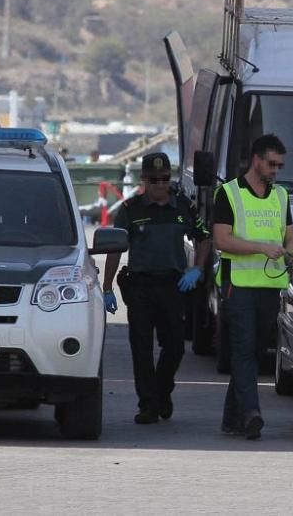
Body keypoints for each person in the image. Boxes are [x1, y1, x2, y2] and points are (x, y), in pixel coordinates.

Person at [102, 152, 211, 424]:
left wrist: (196, 269)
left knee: (174, 346)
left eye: (164, 179)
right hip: (140, 287)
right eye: (154, 180)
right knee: (141, 348)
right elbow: (114, 249)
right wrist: (106, 287)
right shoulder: (130, 210)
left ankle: (162, 391)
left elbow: (204, 239)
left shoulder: (184, 206)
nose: (160, 185)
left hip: (173, 286)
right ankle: (148, 405)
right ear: (144, 180)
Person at [213, 133, 293, 440]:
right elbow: (221, 239)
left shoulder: (281, 196)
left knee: (252, 350)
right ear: (256, 160)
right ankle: (252, 414)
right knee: (242, 349)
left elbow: (289, 238)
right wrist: (260, 248)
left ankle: (231, 418)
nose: (276, 171)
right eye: (271, 164)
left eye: (280, 166)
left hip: (270, 286)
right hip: (237, 284)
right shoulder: (228, 193)